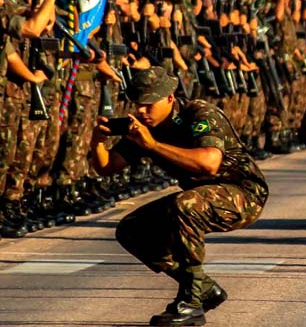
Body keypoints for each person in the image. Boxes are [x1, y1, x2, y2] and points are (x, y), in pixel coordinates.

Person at [89, 67, 269, 326]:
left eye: (150, 104)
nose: (142, 111)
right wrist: (97, 142)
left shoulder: (199, 114)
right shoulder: (143, 128)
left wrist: (152, 145)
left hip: (242, 193)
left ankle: (191, 302)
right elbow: (107, 167)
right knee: (131, 229)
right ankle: (203, 289)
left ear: (170, 99)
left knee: (186, 205)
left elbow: (209, 163)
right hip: (200, 197)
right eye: (138, 104)